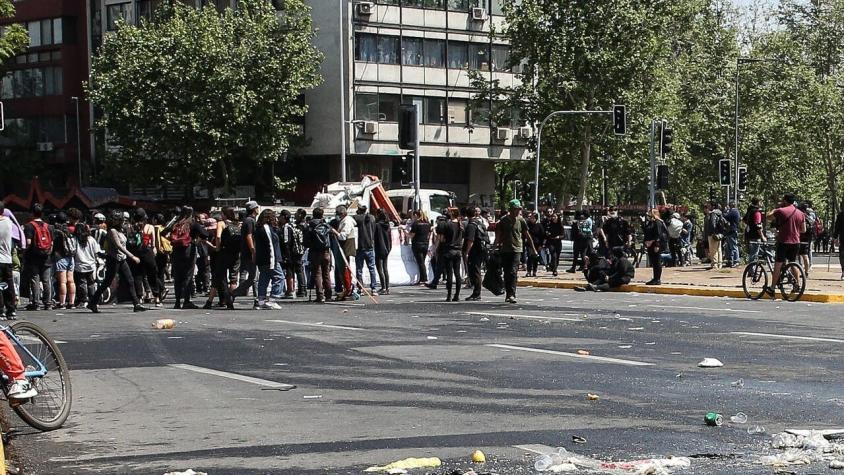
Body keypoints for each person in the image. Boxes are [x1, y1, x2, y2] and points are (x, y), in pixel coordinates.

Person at [88, 211, 147, 313]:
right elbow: (119, 246)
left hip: (121, 259)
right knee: (107, 282)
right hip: (113, 259)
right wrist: (132, 256)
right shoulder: (112, 231)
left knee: (130, 280)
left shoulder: (120, 231)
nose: (123, 222)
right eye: (121, 220)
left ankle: (136, 303)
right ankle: (92, 302)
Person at [495, 199, 536, 304]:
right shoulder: (503, 220)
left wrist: (533, 249)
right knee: (507, 272)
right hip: (505, 249)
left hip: (517, 249)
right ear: (511, 209)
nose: (518, 211)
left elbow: (527, 235)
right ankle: (508, 293)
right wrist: (494, 247)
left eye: (519, 209)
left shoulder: (521, 220)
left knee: (513, 271)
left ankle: (512, 294)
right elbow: (498, 235)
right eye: (516, 209)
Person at [765, 193, 805, 296]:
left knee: (778, 264)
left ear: (785, 201)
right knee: (793, 262)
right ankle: (797, 285)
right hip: (796, 241)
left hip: (783, 241)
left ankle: (772, 288)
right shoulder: (800, 213)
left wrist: (775, 209)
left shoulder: (781, 211)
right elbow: (803, 229)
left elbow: (768, 217)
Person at [168, 207, 206, 310]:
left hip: (176, 252)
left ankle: (177, 302)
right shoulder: (192, 223)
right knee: (188, 276)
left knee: (178, 277)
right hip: (189, 251)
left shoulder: (176, 223)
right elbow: (205, 234)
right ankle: (186, 301)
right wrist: (196, 240)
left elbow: (163, 232)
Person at [128, 208, 161, 307]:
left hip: (136, 252)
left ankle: (140, 298)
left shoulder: (131, 226)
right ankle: (157, 297)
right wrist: (155, 249)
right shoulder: (150, 227)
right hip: (147, 252)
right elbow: (153, 241)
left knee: (137, 275)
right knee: (152, 274)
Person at [23, 204, 53, 311]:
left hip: (33, 257)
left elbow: (28, 242)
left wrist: (24, 252)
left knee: (35, 280)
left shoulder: (29, 226)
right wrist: (48, 252)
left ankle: (36, 303)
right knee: (46, 280)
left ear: (32, 213)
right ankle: (48, 303)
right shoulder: (48, 226)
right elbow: (51, 243)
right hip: (46, 257)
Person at [254, 209, 284, 309]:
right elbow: (270, 244)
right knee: (279, 277)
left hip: (263, 258)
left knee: (264, 278)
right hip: (270, 258)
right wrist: (273, 259)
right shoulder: (266, 228)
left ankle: (261, 301)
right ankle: (272, 299)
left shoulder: (259, 228)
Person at [233, 200, 260, 306]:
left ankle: (234, 294)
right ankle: (234, 294)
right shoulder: (250, 221)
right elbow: (249, 236)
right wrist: (253, 250)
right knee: (254, 278)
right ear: (254, 209)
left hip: (247, 252)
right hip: (249, 253)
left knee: (253, 278)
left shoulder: (249, 220)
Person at [304, 208, 332, 303]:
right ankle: (328, 294)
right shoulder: (325, 224)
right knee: (326, 273)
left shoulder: (311, 225)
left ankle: (320, 296)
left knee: (317, 273)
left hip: (315, 252)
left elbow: (306, 240)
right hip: (326, 251)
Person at [436, 208, 464, 302]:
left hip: (449, 250)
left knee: (449, 273)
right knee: (457, 273)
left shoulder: (447, 224)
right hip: (458, 250)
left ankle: (449, 295)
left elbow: (442, 238)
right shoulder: (461, 224)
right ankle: (457, 295)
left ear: (452, 213)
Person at [51, 212, 77, 309]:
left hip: (60, 257)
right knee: (71, 281)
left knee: (62, 282)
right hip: (70, 257)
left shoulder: (56, 231)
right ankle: (71, 302)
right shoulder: (69, 230)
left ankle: (62, 303)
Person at [463, 208, 489, 301]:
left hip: (475, 250)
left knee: (475, 271)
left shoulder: (471, 225)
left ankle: (477, 293)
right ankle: (476, 292)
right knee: (476, 270)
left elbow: (471, 240)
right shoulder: (479, 223)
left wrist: (467, 252)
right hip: (481, 249)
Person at [73, 223, 100, 309]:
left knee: (82, 284)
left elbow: (73, 251)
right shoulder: (91, 239)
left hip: (79, 265)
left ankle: (84, 300)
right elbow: (96, 252)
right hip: (91, 265)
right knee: (91, 283)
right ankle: (93, 300)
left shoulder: (75, 239)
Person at [331, 205, 357, 299]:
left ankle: (348, 290)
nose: (336, 216)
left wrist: (334, 231)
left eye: (338, 214)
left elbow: (343, 236)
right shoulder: (343, 221)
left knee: (345, 270)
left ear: (342, 214)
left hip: (345, 249)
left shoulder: (347, 221)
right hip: (343, 249)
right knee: (342, 271)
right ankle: (346, 290)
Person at [352, 206, 378, 295]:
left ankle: (361, 288)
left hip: (361, 247)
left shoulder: (358, 218)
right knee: (372, 268)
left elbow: (352, 219)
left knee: (359, 269)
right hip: (370, 246)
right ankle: (374, 288)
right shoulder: (372, 218)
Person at [0, 201, 17, 319]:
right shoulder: (9, 222)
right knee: (9, 285)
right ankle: (11, 310)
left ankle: (0, 311)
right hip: (7, 258)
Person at [643, 208, 668, 285]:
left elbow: (658, 234)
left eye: (650, 213)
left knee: (657, 262)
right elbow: (646, 231)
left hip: (655, 244)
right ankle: (655, 278)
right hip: (650, 244)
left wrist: (655, 243)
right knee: (653, 262)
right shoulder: (651, 222)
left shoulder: (658, 222)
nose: (648, 214)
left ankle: (657, 279)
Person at [409, 210, 432, 285]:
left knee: (420, 262)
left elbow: (411, 235)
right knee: (422, 262)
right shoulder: (428, 223)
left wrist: (405, 232)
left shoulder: (416, 223)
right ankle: (422, 278)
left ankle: (423, 279)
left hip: (417, 244)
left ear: (416, 215)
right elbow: (429, 235)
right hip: (425, 244)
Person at [373, 209, 392, 295]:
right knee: (385, 268)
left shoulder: (377, 225)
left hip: (379, 247)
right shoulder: (388, 225)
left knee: (379, 268)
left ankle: (383, 287)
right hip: (387, 248)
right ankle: (387, 288)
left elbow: (374, 237)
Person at [743, 197, 765, 263]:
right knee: (754, 254)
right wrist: (762, 237)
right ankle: (752, 271)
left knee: (751, 253)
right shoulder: (757, 212)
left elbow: (744, 220)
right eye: (761, 202)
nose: (762, 203)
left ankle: (751, 270)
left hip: (749, 234)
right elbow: (758, 226)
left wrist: (750, 224)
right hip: (755, 236)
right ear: (758, 203)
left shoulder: (750, 210)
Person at [705, 203, 726, 269]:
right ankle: (720, 264)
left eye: (710, 206)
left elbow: (712, 224)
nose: (709, 207)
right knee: (719, 249)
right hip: (719, 234)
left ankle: (714, 265)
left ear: (713, 206)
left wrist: (713, 232)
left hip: (713, 234)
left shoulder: (713, 214)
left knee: (713, 250)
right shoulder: (720, 213)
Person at [544, 211, 564, 276]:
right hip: (551, 242)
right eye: (553, 216)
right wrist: (547, 234)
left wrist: (559, 237)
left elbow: (563, 235)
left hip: (558, 242)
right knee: (554, 255)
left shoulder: (560, 225)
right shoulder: (550, 224)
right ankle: (554, 270)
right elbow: (547, 232)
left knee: (557, 257)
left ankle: (554, 267)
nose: (553, 218)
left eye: (555, 216)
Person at [525, 213, 545, 277]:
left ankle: (534, 271)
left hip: (537, 244)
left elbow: (542, 236)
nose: (531, 219)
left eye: (533, 218)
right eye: (531, 218)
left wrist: (541, 245)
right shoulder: (528, 225)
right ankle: (528, 271)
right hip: (529, 244)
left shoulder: (539, 226)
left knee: (535, 258)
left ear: (536, 219)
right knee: (529, 258)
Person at [724, 201, 741, 267]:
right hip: (730, 231)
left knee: (733, 246)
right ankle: (731, 260)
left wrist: (725, 211)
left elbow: (726, 216)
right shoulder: (734, 211)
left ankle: (736, 260)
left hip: (732, 231)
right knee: (729, 247)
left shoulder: (734, 211)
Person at [833, 200, 844, 280]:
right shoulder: (840, 215)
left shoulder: (840, 215)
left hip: (843, 238)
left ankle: (843, 271)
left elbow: (837, 228)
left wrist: (835, 237)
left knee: (842, 256)